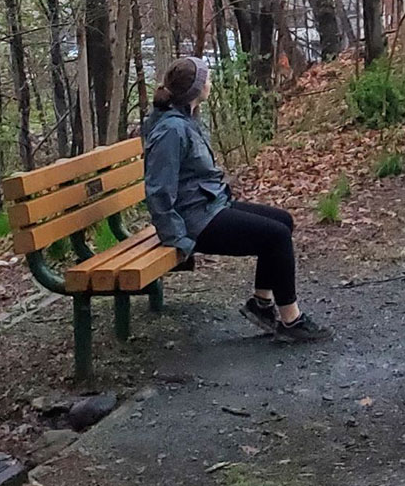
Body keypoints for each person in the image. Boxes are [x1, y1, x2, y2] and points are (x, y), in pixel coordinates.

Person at [142, 56, 331, 342]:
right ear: (195, 90)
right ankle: (291, 321)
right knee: (276, 237)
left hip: (209, 206)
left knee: (283, 221)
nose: (210, 82)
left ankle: (261, 304)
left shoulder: (187, 119)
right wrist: (178, 240)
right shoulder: (172, 130)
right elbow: (158, 192)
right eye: (206, 79)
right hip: (195, 220)